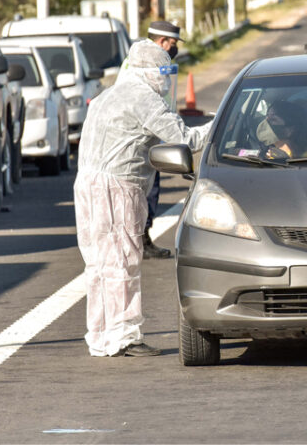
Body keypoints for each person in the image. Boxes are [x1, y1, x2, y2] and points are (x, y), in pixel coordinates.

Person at [74, 40, 211, 357]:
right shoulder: (143, 98)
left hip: (87, 185)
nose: (164, 80)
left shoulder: (109, 95)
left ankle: (100, 334)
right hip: (117, 187)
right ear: (148, 70)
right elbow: (185, 139)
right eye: (162, 72)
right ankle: (124, 336)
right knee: (122, 261)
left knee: (97, 264)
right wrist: (220, 126)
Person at [124, 20, 185, 260]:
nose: (174, 48)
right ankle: (141, 238)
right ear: (162, 41)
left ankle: (141, 236)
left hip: (153, 131)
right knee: (146, 189)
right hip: (143, 135)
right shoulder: (142, 63)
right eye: (172, 43)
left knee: (149, 187)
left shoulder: (139, 58)